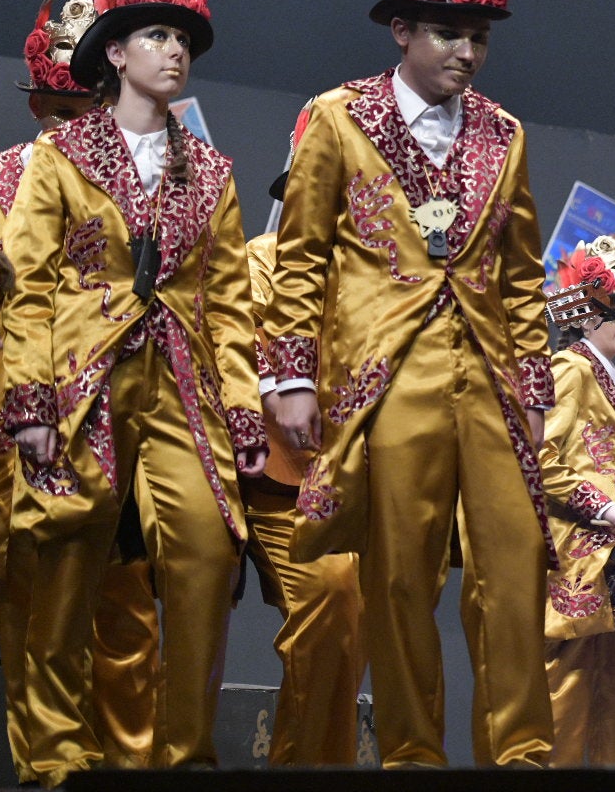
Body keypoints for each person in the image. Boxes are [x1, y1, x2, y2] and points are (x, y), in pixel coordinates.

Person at [266, 0, 557, 768]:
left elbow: (524, 273)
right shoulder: (338, 117)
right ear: (401, 29)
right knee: (399, 579)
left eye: (478, 36)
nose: (465, 52)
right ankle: (411, 757)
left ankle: (523, 755)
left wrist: (536, 390)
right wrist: (289, 377)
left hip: (493, 375)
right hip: (388, 376)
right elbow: (301, 256)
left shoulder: (505, 134)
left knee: (514, 570)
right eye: (445, 32)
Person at [0, 0, 266, 785]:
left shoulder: (211, 172)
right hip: (79, 373)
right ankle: (52, 759)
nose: (174, 50)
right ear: (115, 52)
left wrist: (245, 410)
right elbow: (29, 285)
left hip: (180, 379)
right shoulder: (61, 155)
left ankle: (184, 755)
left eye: (183, 37)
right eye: (155, 34)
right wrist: (31, 401)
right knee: (67, 552)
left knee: (206, 551)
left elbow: (226, 302)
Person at [0, 0, 164, 780]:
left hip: (124, 403)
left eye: (78, 104)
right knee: (39, 593)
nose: (65, 121)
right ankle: (52, 765)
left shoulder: (158, 171)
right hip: (23, 405)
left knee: (126, 593)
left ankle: (132, 760)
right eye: (51, 108)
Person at [242, 103, 366, 766]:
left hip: (350, 484)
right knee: (329, 603)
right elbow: (243, 352)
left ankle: (325, 771)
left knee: (349, 636)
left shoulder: (370, 283)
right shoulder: (260, 260)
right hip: (284, 479)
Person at [539, 236, 615, 766]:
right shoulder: (570, 369)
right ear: (585, 314)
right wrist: (606, 509)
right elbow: (541, 456)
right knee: (569, 698)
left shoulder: (607, 378)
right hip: (583, 559)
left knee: (611, 703)